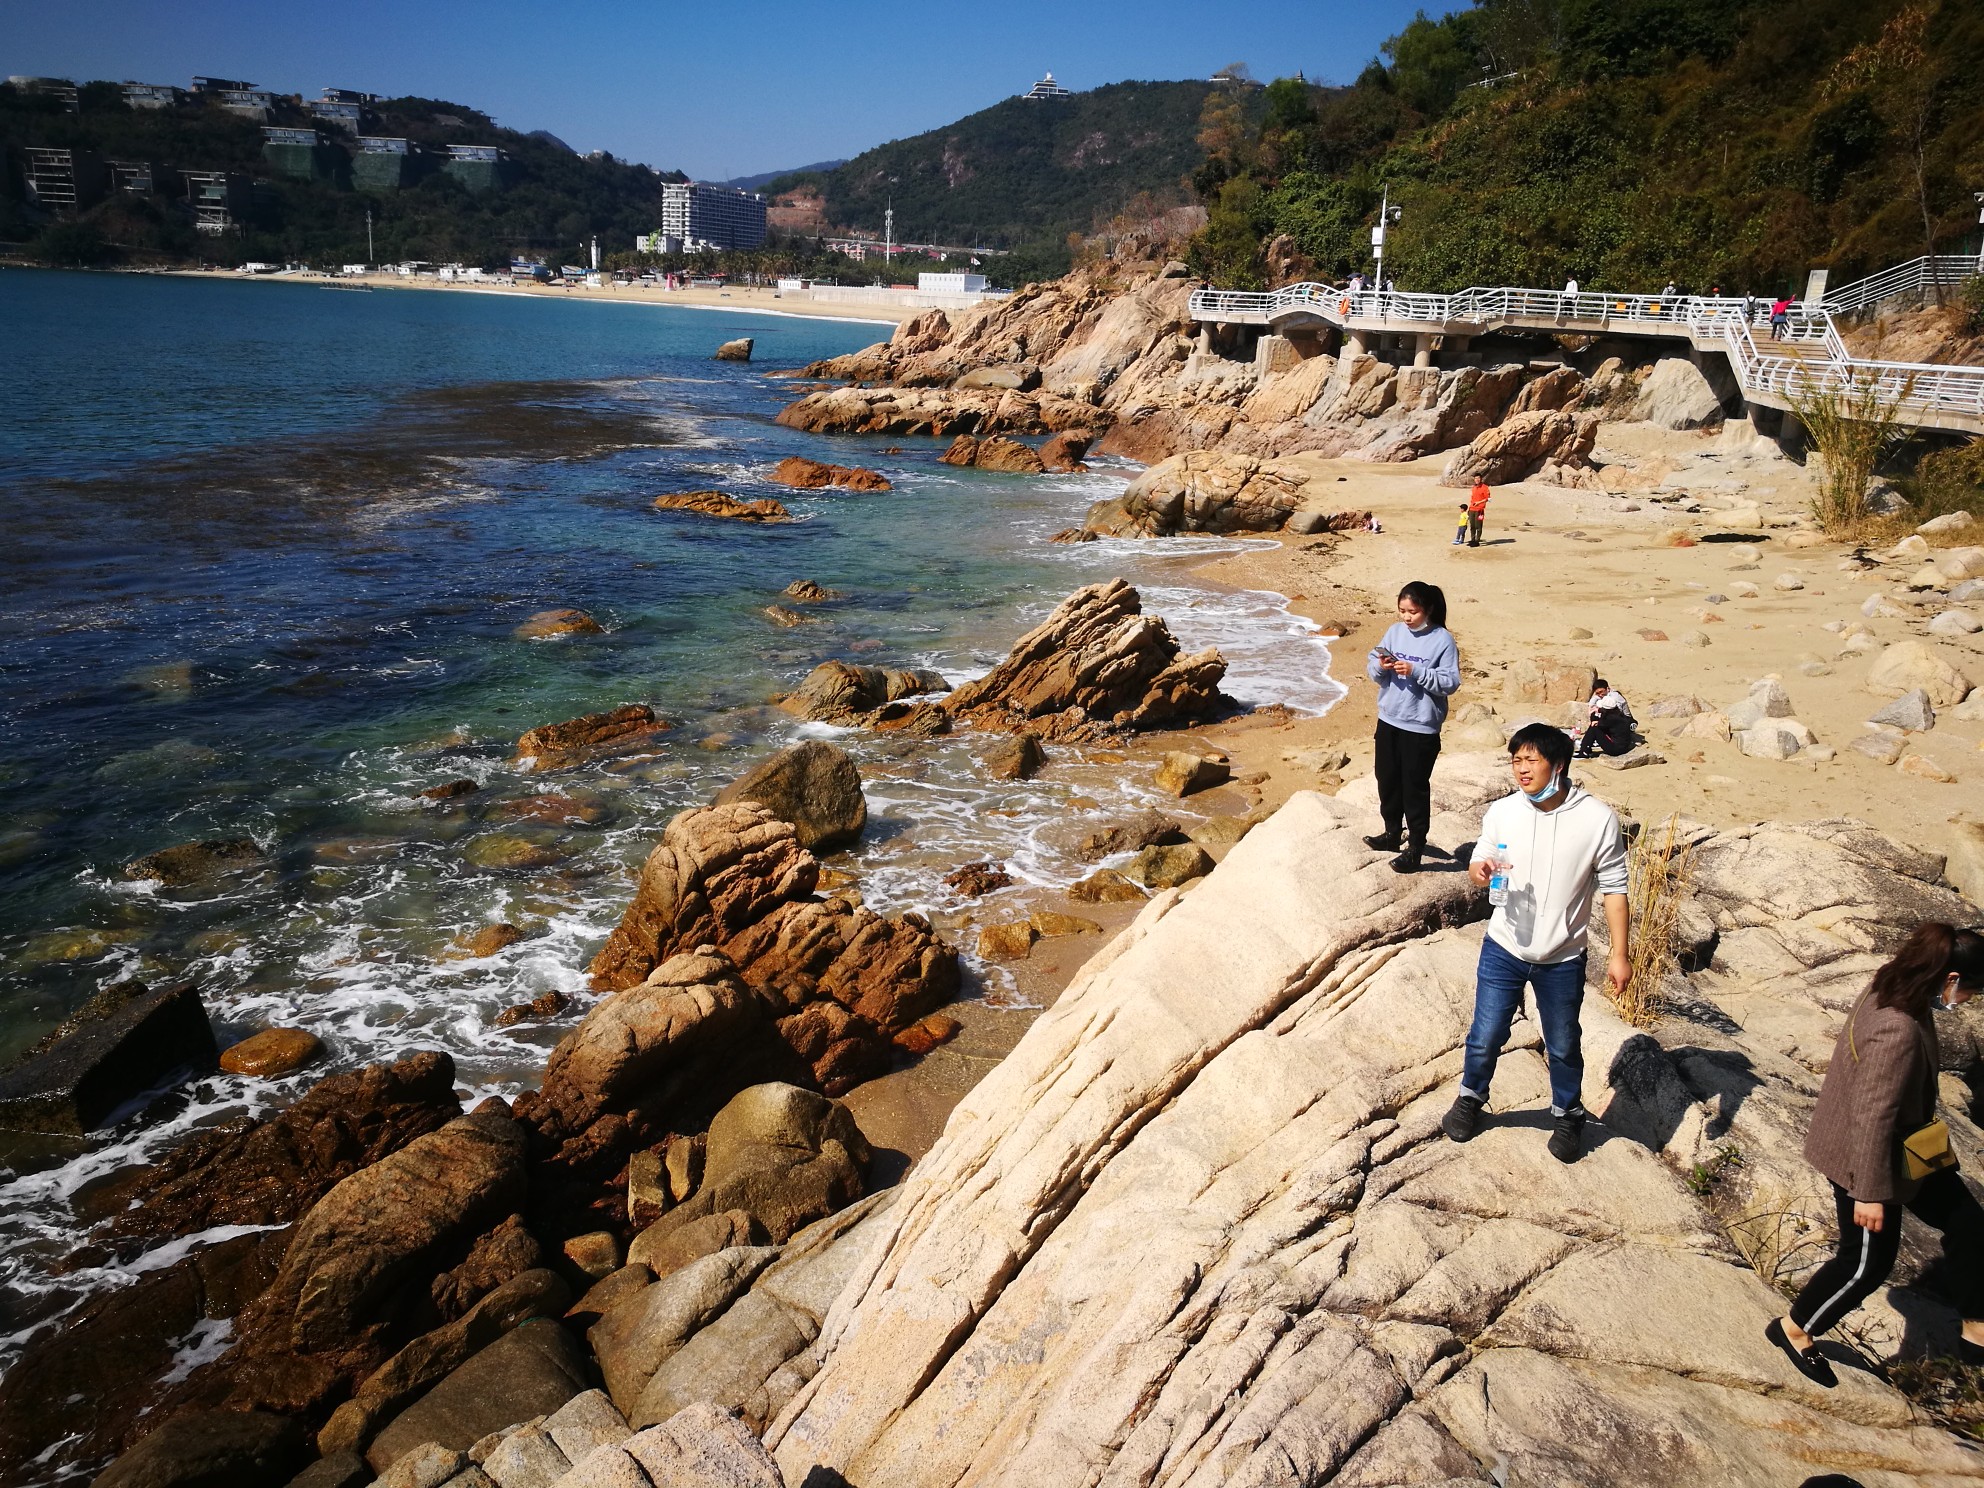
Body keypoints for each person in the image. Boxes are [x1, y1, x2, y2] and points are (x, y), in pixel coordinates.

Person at [1766, 924, 1984, 1388]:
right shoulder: (1897, 1028)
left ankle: (1976, 1325)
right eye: (1970, 990)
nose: (1968, 1000)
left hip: (1908, 1148)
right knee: (1865, 1264)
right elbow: (1872, 1116)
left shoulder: (1890, 981)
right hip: (1868, 1160)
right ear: (1949, 978)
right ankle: (1794, 1327)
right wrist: (1867, 1194)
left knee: (1970, 1224)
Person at [1443, 723, 1630, 1163]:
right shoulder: (1505, 811)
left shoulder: (1597, 818)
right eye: (1516, 760)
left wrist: (1620, 955)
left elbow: (1616, 891)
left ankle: (1568, 1115)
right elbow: (1479, 858)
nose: (1521, 770)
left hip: (1562, 957)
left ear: (1558, 764)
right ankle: (1471, 1096)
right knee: (1485, 1034)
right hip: (1504, 947)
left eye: (1531, 760)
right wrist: (1480, 870)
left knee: (1563, 1042)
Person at [1364, 581, 1460, 875]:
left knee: (1414, 788)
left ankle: (1416, 847)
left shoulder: (1442, 640)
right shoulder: (1394, 632)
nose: (1406, 617)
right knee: (1387, 779)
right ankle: (1392, 833)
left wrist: (1416, 671)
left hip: (1421, 727)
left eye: (1413, 612)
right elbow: (1373, 668)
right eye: (1402, 610)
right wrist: (1382, 665)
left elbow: (1450, 683)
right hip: (1389, 718)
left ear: (1427, 609)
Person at [1575, 678, 1635, 757]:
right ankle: (1586, 748)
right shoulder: (1613, 710)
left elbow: (1611, 719)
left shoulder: (1616, 699)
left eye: (1601, 692)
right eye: (1597, 693)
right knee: (1596, 722)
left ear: (1607, 689)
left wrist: (1598, 720)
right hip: (1621, 735)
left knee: (1594, 727)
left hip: (1618, 743)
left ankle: (1585, 750)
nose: (1600, 694)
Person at [1454, 479, 1491, 547]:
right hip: (1472, 509)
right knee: (1472, 525)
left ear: (1481, 479)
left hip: (1480, 510)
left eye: (1478, 478)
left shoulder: (1485, 487)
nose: (1477, 480)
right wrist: (1469, 509)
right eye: (1476, 478)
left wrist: (1478, 503)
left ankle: (1477, 540)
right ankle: (1472, 540)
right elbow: (1472, 499)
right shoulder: (1474, 487)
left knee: (1478, 526)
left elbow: (1488, 499)